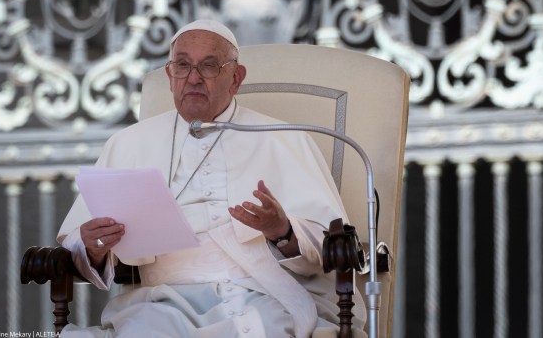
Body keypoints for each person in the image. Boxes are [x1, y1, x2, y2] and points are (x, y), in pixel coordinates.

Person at [57, 19, 366, 337]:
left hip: (263, 294)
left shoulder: (283, 137)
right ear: (169, 75)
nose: (193, 78)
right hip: (163, 301)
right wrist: (93, 247)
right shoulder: (127, 143)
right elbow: (77, 251)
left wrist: (282, 231)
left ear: (236, 77)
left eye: (208, 66)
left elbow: (328, 246)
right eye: (182, 65)